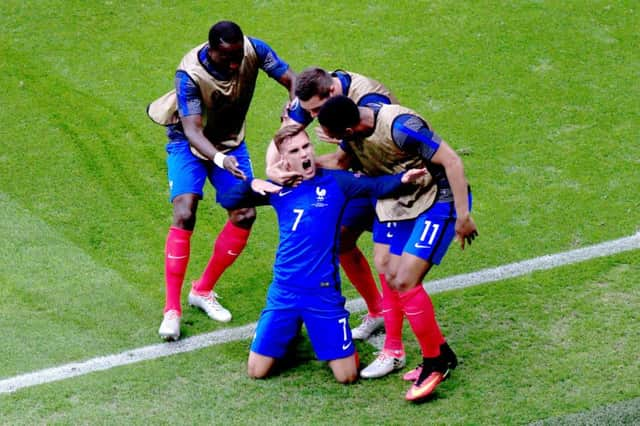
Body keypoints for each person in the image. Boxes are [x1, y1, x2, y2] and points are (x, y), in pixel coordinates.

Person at [224, 125, 427, 384]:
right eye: (295, 150)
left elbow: (374, 187)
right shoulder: (277, 188)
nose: (304, 154)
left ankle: (306, 330)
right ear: (284, 159)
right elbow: (228, 200)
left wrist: (403, 179)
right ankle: (289, 331)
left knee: (347, 376)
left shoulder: (336, 182)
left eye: (306, 146)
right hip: (284, 293)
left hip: (323, 296)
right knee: (256, 371)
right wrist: (254, 183)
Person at [317, 95, 478, 401]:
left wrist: (463, 215)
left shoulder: (401, 126)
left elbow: (452, 161)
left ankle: (435, 363)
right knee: (390, 272)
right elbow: (338, 162)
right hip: (402, 201)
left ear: (349, 131)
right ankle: (441, 350)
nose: (330, 140)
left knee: (405, 280)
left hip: (437, 199)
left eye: (334, 136)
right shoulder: (352, 133)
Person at [147, 21, 296, 341]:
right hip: (188, 144)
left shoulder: (254, 50)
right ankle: (171, 310)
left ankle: (202, 291)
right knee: (185, 212)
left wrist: (293, 116)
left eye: (237, 56)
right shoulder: (189, 74)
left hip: (230, 143)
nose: (234, 64)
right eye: (227, 58)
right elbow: (192, 131)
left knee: (245, 213)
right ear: (211, 48)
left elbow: (292, 80)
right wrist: (219, 160)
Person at [265, 67, 400, 341]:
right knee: (341, 238)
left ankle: (396, 345)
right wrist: (274, 167)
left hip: (393, 180)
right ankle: (378, 311)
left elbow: (341, 162)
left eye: (316, 112)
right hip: (362, 176)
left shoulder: (367, 105)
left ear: (332, 93)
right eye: (310, 112)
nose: (313, 118)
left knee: (387, 258)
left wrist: (302, 163)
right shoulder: (317, 93)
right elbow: (285, 135)